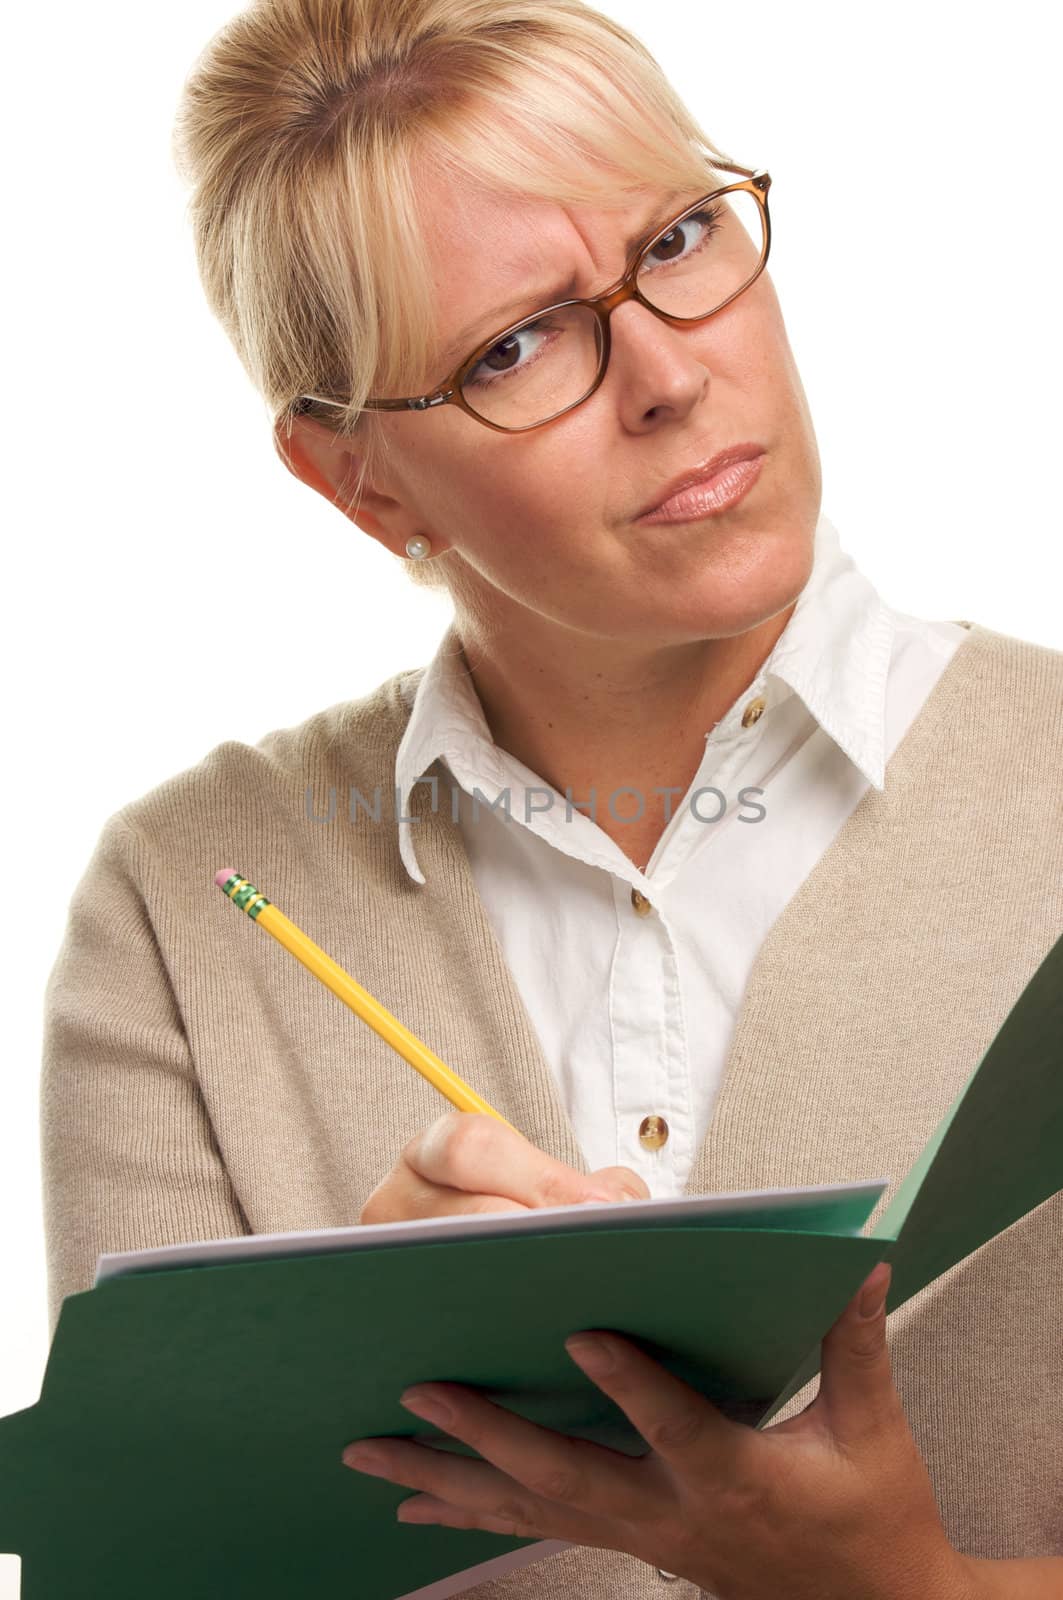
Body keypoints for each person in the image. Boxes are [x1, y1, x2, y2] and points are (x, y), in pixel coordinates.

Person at [39, 0, 1061, 1596]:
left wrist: (906, 1589)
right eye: (515, 344)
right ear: (356, 478)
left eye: (680, 240)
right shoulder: (184, 906)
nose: (666, 373)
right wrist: (317, 1402)